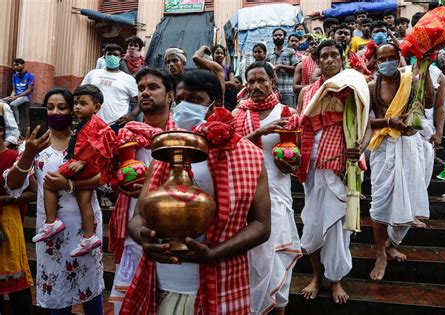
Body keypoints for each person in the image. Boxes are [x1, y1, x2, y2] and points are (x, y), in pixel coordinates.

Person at [119, 70, 271, 314]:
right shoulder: (164, 152)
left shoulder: (248, 156)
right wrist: (144, 238)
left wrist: (213, 253)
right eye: (180, 99)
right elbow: (138, 216)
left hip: (219, 282)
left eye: (195, 100)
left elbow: (262, 225)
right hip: (160, 282)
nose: (184, 106)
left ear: (216, 105)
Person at [6, 88, 105, 314]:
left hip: (86, 229)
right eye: (50, 107)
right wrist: (28, 153)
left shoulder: (86, 140)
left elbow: (104, 176)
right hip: (51, 232)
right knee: (58, 294)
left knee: (91, 292)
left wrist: (69, 185)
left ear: (73, 110)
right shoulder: (33, 144)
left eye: (62, 107)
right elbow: (12, 184)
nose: (55, 112)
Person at [296, 40, 370, 304]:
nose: (329, 60)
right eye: (324, 56)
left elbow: (367, 124)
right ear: (316, 61)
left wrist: (360, 147)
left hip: (340, 167)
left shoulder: (352, 88)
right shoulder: (307, 92)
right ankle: (317, 277)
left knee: (337, 227)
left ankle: (336, 280)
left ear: (342, 60)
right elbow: (298, 125)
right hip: (312, 167)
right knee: (314, 226)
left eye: (334, 55)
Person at [233, 61, 302, 314]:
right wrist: (261, 132)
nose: (256, 86)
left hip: (277, 194)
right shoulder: (237, 114)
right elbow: (230, 149)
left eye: (262, 80)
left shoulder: (287, 113)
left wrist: (291, 164)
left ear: (274, 82)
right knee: (253, 261)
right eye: (251, 81)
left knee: (276, 258)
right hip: (246, 195)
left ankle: (278, 308)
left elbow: (298, 156)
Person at [109, 68, 175, 314]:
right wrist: (124, 188)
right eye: (141, 89)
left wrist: (152, 189)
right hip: (132, 232)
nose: (145, 92)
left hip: (168, 236)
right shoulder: (126, 135)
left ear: (170, 95)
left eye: (153, 87)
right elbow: (115, 182)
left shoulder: (180, 136)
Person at [368, 43, 434, 281]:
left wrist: (424, 68)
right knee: (379, 202)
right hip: (383, 148)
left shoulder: (411, 80)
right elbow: (366, 123)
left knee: (409, 196)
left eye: (391, 57)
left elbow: (427, 103)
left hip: (408, 146)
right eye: (382, 58)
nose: (387, 61)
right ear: (375, 62)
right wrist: (388, 122)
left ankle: (391, 243)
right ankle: (379, 254)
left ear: (398, 58)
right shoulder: (371, 87)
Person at [33, 84, 115, 256]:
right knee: (83, 201)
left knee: (51, 181)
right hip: (81, 165)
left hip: (84, 166)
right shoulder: (84, 125)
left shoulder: (95, 125)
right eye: (76, 103)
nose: (78, 107)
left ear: (96, 107)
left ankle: (51, 222)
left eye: (81, 103)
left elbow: (96, 146)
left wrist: (82, 163)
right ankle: (88, 236)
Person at [0, 115, 36, 315]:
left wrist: (6, 199)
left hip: (8, 223)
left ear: (0, 131)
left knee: (16, 285)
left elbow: (33, 191)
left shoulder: (14, 157)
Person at [81, 44, 139, 131]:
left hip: (116, 124)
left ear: (121, 58)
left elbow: (141, 99)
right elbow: (81, 93)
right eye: (109, 54)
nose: (112, 57)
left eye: (115, 55)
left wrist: (132, 115)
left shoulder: (128, 79)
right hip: (92, 123)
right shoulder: (93, 74)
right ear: (104, 56)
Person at [269, 28, 298, 108]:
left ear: (284, 38)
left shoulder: (290, 51)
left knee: (289, 116)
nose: (278, 37)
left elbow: (296, 69)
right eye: (275, 35)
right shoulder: (270, 55)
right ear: (272, 37)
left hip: (288, 91)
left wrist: (281, 66)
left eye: (280, 35)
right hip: (274, 93)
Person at [1, 58, 35, 124]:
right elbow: (14, 90)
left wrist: (16, 97)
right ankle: (5, 121)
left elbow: (29, 90)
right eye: (14, 65)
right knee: (1, 101)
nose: (15, 67)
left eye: (17, 65)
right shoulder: (14, 76)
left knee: (13, 104)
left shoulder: (30, 76)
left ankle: (17, 124)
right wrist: (11, 97)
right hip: (16, 96)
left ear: (23, 65)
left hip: (26, 96)